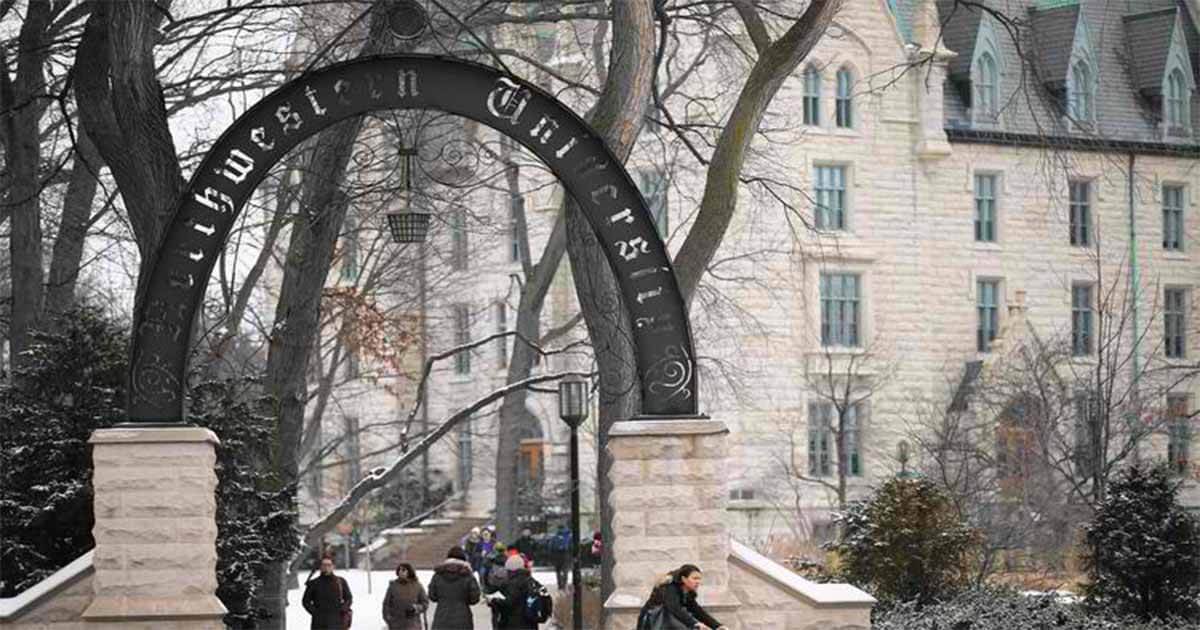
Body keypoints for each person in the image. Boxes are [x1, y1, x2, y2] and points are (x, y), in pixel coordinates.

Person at [637, 564, 727, 630]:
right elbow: (674, 608)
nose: (698, 582)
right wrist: (695, 623)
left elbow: (696, 610)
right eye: (695, 578)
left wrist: (717, 626)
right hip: (652, 623)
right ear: (684, 579)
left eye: (699, 579)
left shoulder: (688, 591)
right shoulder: (670, 587)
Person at [491, 554, 553, 629]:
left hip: (514, 624)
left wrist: (494, 601)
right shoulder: (533, 582)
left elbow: (509, 602)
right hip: (531, 623)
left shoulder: (513, 583)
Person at [428, 546, 481, 630]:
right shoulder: (467, 575)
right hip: (463, 619)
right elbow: (474, 598)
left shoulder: (438, 575)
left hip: (441, 618)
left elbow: (432, 596)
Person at [302, 555, 352, 630]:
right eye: (324, 565)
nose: (326, 567)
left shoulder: (341, 582)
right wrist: (315, 613)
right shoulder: (314, 583)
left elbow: (348, 598)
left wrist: (343, 608)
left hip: (337, 622)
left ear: (333, 566)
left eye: (329, 565)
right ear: (320, 567)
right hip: (319, 623)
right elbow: (305, 601)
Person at [382, 562, 428, 630]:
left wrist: (416, 608)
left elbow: (425, 603)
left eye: (403, 570)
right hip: (396, 625)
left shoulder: (417, 586)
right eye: (399, 570)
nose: (400, 572)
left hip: (413, 625)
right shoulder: (393, 586)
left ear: (409, 572)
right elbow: (386, 604)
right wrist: (389, 619)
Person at [548, 525, 572, 590]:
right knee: (563, 570)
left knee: (560, 571)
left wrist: (551, 556)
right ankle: (562, 584)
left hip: (560, 554)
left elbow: (551, 547)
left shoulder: (556, 537)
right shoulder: (568, 537)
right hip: (564, 554)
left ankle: (561, 585)